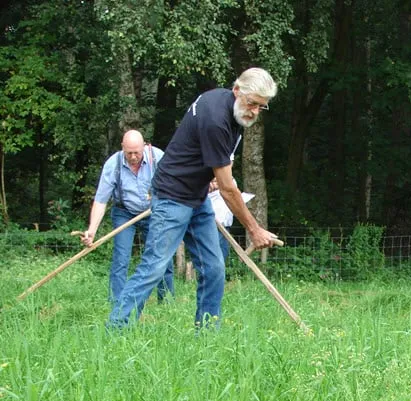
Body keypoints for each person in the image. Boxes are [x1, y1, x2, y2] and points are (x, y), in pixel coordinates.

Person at [108, 67, 278, 329]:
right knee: (154, 266)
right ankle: (117, 328)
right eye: (252, 103)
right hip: (172, 196)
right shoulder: (216, 119)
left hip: (197, 199)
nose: (254, 111)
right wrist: (254, 229)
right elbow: (227, 188)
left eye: (261, 107)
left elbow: (210, 158)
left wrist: (210, 177)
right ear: (237, 91)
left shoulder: (231, 112)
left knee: (213, 269)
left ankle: (208, 334)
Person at [81, 130, 174, 305]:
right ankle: (117, 302)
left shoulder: (158, 157)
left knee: (161, 255)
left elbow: (174, 184)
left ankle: (166, 300)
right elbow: (101, 200)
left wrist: (159, 197)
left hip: (153, 212)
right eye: (129, 152)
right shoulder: (113, 164)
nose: (133, 157)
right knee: (121, 258)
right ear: (122, 148)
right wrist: (92, 231)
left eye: (136, 152)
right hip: (124, 212)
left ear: (144, 146)